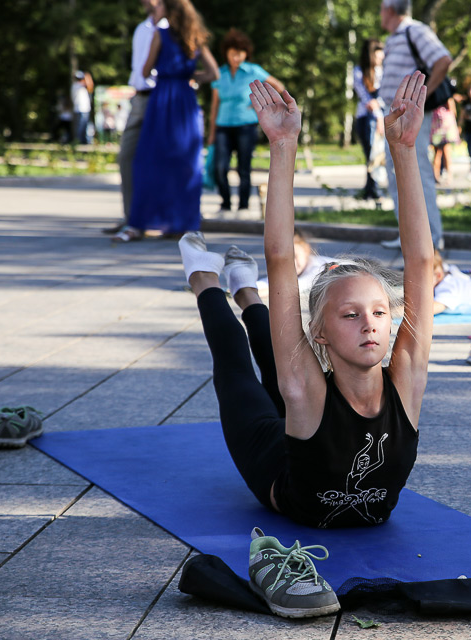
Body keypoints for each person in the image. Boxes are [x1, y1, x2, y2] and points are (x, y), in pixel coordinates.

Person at [176, 73, 433, 615]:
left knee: (280, 357)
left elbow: (420, 263)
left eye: (379, 313)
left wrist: (403, 149)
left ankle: (245, 290)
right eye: (350, 315)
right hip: (274, 460)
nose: (369, 325)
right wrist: (283, 145)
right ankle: (206, 278)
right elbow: (281, 260)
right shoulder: (308, 386)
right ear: (321, 331)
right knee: (239, 366)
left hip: (308, 410)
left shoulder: (406, 380)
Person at [113, 0, 219, 242]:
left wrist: (168, 73)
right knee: (185, 163)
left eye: (162, 6)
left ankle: (139, 222)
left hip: (162, 100)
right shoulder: (196, 37)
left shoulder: (160, 35)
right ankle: (182, 223)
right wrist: (189, 76)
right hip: (185, 101)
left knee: (150, 160)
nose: (157, 8)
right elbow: (213, 73)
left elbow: (145, 70)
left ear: (170, 11)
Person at [378, 0, 452, 251]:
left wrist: (419, 98)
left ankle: (431, 238)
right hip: (395, 116)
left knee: (418, 174)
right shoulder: (394, 37)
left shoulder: (415, 30)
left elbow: (443, 60)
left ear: (390, 10)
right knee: (397, 175)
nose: (380, 13)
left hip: (410, 117)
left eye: (381, 8)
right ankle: (409, 237)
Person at [106, 0, 169, 235]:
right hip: (139, 98)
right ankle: (132, 219)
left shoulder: (172, 28)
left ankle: (160, 219)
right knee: (127, 156)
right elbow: (139, 69)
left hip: (162, 98)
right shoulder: (142, 28)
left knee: (161, 161)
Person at [207, 28, 284, 214]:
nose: (236, 57)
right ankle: (225, 204)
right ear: (226, 53)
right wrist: (211, 133)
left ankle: (243, 206)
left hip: (246, 126)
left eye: (240, 53)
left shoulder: (253, 70)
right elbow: (215, 106)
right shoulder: (219, 74)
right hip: (223, 126)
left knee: (243, 168)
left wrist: (261, 104)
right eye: (233, 53)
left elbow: (279, 87)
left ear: (246, 53)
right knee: (220, 167)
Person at [353, 38, 385, 201]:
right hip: (366, 118)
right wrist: (379, 118)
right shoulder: (359, 72)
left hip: (382, 118)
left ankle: (372, 189)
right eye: (378, 54)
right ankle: (372, 190)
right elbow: (367, 100)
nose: (382, 57)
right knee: (371, 155)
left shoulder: (384, 72)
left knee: (378, 155)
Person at [430, 98, 459, 185]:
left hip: (441, 128)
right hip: (442, 128)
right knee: (441, 154)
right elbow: (453, 111)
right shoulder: (445, 96)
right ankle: (442, 176)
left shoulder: (438, 98)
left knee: (441, 153)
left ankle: (440, 176)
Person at [71, 71, 94, 145]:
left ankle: (83, 141)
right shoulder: (77, 86)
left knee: (84, 126)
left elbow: (90, 87)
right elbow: (90, 85)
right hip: (80, 109)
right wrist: (87, 76)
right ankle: (79, 141)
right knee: (80, 126)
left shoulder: (80, 86)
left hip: (84, 109)